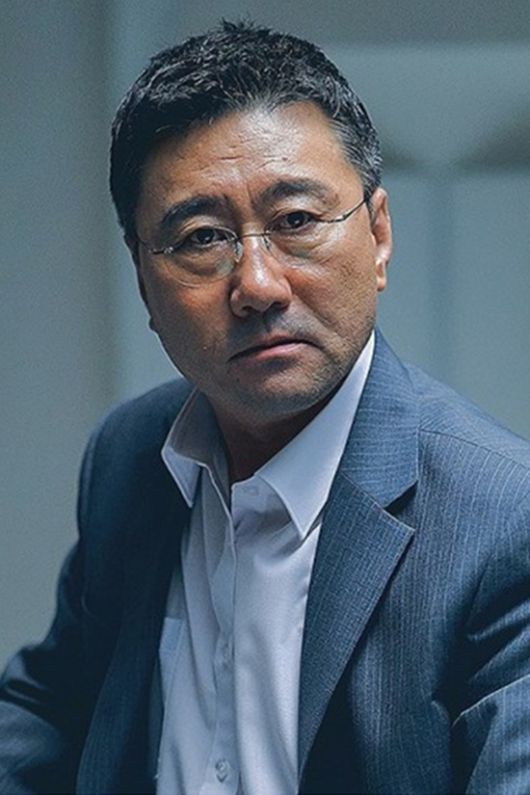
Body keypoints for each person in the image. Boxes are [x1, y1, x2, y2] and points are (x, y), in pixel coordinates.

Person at [1, 19, 530, 795]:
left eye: (296, 222)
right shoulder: (129, 455)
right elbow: (53, 706)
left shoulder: (503, 521)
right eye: (201, 237)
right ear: (144, 281)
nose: (257, 284)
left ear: (379, 235)